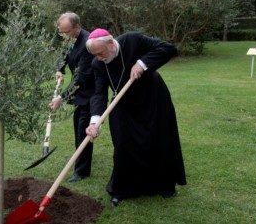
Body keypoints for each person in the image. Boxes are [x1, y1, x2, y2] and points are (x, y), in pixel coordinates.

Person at [85, 28, 186, 206]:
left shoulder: (133, 40)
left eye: (101, 53)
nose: (99, 58)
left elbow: (168, 48)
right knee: (123, 144)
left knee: (158, 140)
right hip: (122, 103)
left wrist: (142, 63)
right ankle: (122, 189)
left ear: (110, 43)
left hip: (152, 99)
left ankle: (163, 185)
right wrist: (95, 122)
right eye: (95, 55)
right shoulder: (97, 64)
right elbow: (99, 94)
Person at [49, 12, 95, 183]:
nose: (63, 35)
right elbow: (64, 56)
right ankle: (80, 157)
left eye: (65, 32)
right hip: (80, 92)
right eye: (61, 32)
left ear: (76, 27)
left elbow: (81, 78)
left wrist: (61, 97)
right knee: (79, 125)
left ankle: (82, 171)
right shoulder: (71, 39)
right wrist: (59, 69)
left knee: (84, 128)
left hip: (91, 93)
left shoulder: (87, 44)